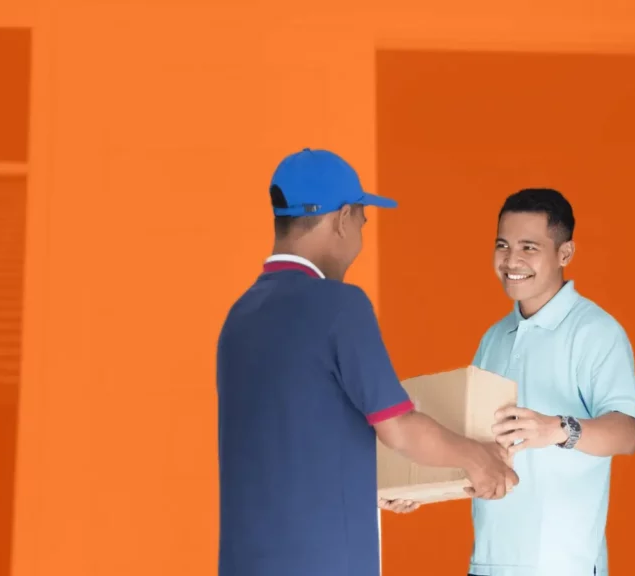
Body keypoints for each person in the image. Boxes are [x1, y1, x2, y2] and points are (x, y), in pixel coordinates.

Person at [216, 148, 519, 576]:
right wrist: (479, 458)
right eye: (363, 217)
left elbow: (288, 440)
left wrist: (365, 488)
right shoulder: (339, 305)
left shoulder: (241, 317)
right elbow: (398, 428)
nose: (361, 229)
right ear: (342, 219)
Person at [385, 188, 635, 575]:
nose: (512, 261)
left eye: (529, 247)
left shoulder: (595, 331)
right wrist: (417, 487)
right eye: (503, 246)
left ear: (565, 254)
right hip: (488, 562)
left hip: (561, 564)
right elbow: (470, 442)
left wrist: (557, 429)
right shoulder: (494, 338)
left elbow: (628, 432)